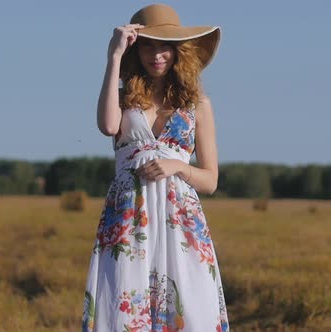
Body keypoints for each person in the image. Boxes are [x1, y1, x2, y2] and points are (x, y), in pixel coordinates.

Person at [82, 4, 229, 331]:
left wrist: (176, 166)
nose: (157, 54)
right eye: (147, 44)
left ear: (179, 52)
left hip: (181, 223)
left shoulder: (199, 105)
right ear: (136, 50)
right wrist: (114, 56)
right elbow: (107, 126)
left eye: (165, 45)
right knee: (124, 310)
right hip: (129, 219)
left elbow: (210, 180)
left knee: (189, 310)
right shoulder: (122, 98)